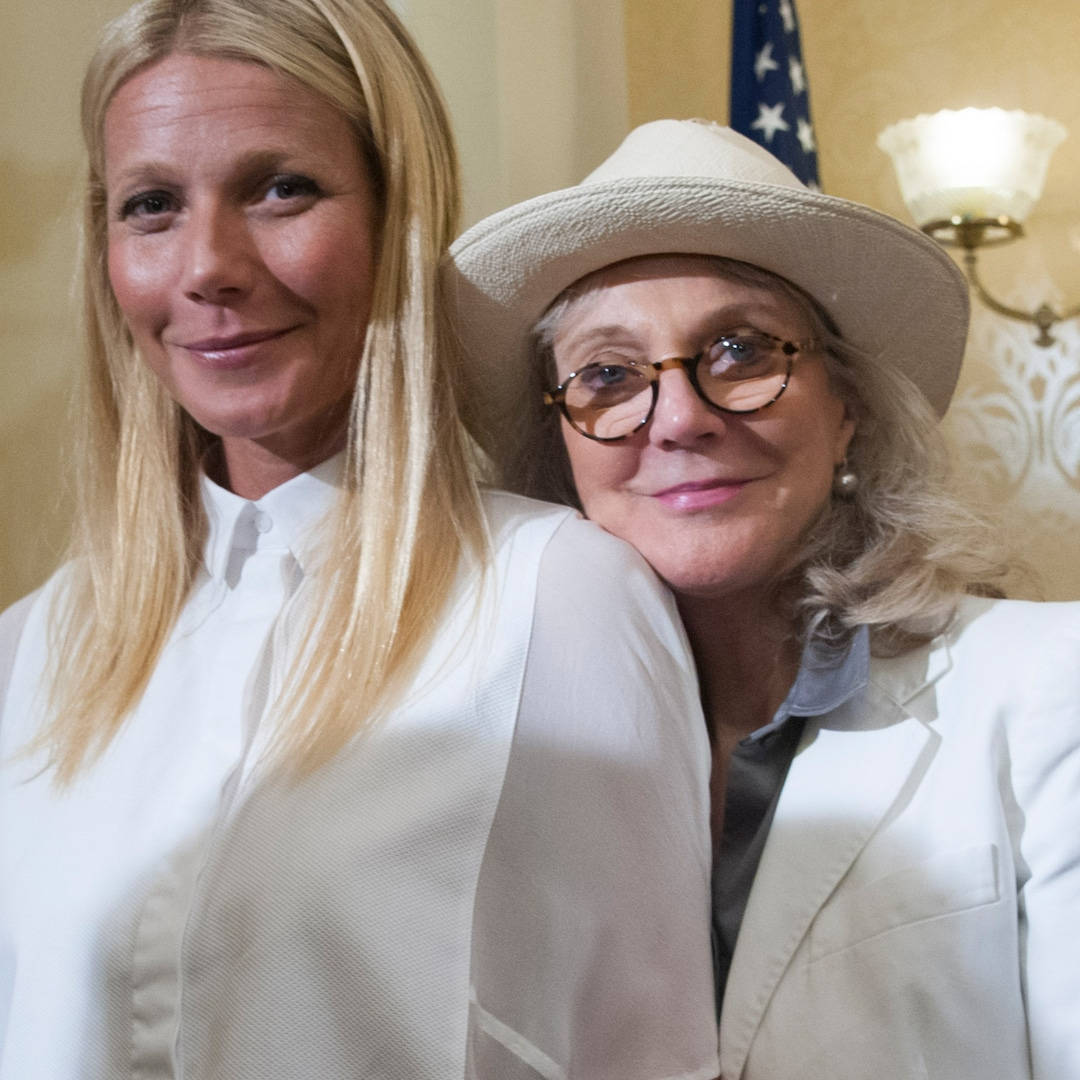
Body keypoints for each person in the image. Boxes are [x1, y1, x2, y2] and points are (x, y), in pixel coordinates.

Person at [0, 10, 721, 1077]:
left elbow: (644, 1053)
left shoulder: (555, 599)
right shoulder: (32, 651)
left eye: (280, 189)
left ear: (397, 218)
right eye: (151, 205)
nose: (208, 266)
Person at [450, 119, 1080, 1080]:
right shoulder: (500, 752)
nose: (680, 417)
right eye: (608, 374)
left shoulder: (1049, 684)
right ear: (560, 443)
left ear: (847, 408)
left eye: (741, 350)